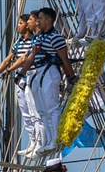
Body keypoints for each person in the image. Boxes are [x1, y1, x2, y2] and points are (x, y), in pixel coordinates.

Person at [13, 9, 75, 154]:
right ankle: (47, 140)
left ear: (49, 19)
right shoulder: (39, 37)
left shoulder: (56, 37)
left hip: (49, 73)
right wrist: (21, 73)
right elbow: (31, 57)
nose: (38, 21)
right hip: (37, 73)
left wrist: (71, 77)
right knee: (41, 110)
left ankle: (55, 139)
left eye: (40, 18)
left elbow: (64, 60)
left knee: (51, 108)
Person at [0, 13, 39, 154]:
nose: (18, 26)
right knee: (25, 112)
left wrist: (9, 70)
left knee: (34, 111)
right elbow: (7, 60)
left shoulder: (34, 41)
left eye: (21, 23)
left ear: (27, 25)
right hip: (21, 80)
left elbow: (24, 58)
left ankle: (39, 142)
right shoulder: (18, 42)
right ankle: (32, 142)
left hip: (31, 77)